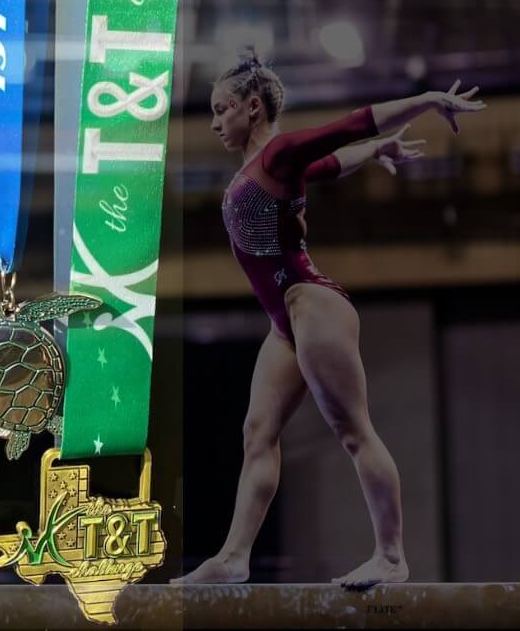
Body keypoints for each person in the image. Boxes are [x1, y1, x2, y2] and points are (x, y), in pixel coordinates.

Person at [179, 50, 484, 589]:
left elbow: (350, 125)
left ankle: (391, 556)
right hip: (284, 324)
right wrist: (379, 150)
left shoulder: (279, 154)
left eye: (221, 109)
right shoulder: (270, 168)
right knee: (257, 434)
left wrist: (427, 101)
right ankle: (233, 557)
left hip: (310, 302)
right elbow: (337, 163)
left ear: (253, 107)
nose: (214, 122)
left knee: (351, 430)